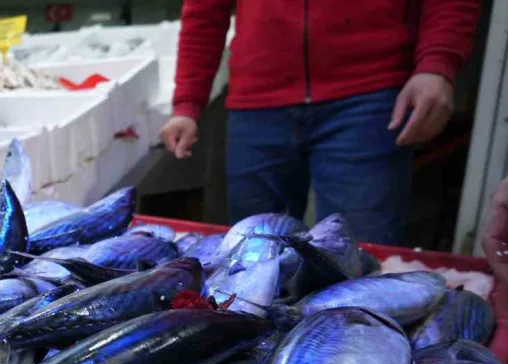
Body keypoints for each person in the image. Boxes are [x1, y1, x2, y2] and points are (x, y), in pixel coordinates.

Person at [159, 0, 481, 245]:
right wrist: (187, 103)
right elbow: (205, 10)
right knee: (251, 257)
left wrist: (438, 63)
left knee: (358, 259)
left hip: (367, 94)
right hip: (257, 102)